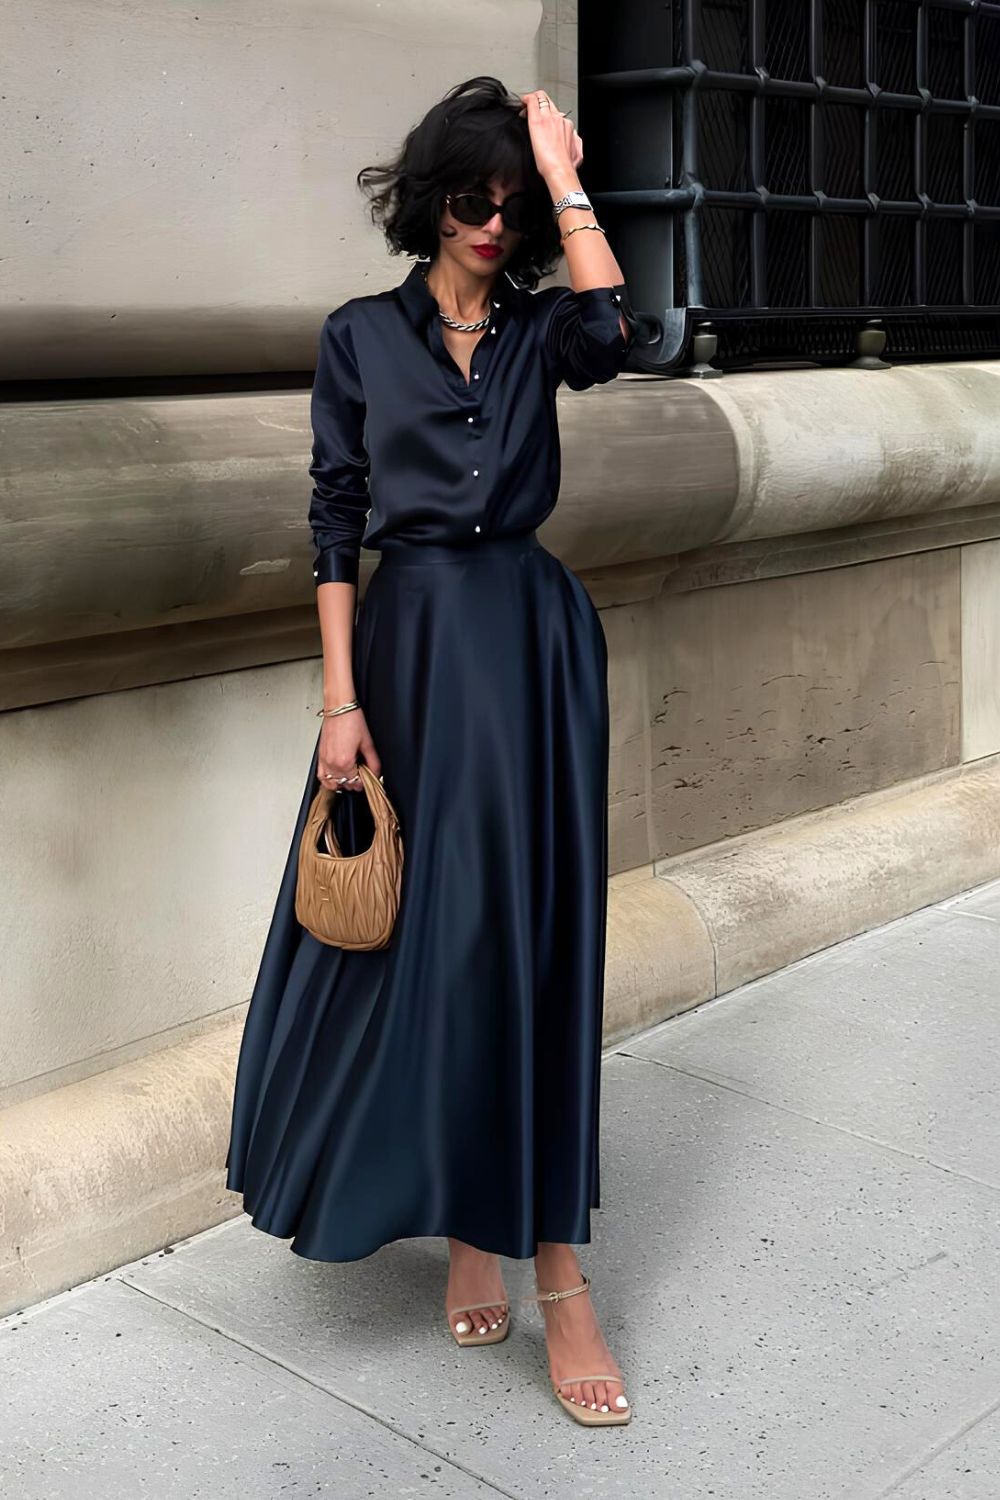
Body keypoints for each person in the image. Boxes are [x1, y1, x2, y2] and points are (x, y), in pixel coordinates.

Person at [225, 75, 641, 1427]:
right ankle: (469, 1216)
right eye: (472, 192)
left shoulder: (538, 337)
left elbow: (616, 330)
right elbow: (334, 518)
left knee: (528, 941)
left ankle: (554, 1270)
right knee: (428, 939)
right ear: (429, 196)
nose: (490, 217)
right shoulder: (359, 337)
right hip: (405, 660)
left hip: (527, 650)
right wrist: (342, 703)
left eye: (509, 201)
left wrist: (566, 168)